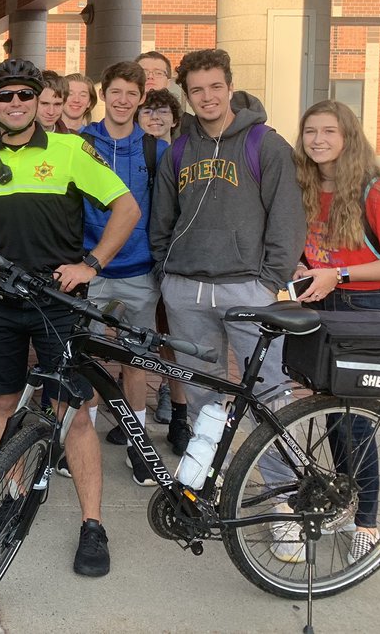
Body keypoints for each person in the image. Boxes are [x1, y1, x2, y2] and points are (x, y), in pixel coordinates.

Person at [0, 58, 140, 577]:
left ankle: (92, 524)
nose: (17, 104)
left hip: (57, 303)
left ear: (36, 99)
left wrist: (91, 263)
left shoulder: (69, 150)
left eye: (26, 95)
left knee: (74, 412)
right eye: (6, 96)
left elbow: (127, 207)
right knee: (1, 402)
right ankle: (15, 493)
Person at [148, 48, 305, 560]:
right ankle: (203, 484)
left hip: (247, 289)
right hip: (186, 288)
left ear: (229, 86)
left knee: (269, 396)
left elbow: (287, 220)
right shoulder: (178, 150)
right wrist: (164, 272)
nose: (207, 97)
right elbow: (162, 220)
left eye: (215, 87)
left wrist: (268, 281)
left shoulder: (266, 144)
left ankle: (283, 504)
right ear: (186, 96)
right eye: (197, 90)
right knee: (200, 396)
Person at [290, 99, 380, 563]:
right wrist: (306, 267)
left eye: (329, 131)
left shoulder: (374, 192)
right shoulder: (306, 186)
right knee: (331, 417)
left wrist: (338, 276)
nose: (318, 140)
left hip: (369, 309)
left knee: (357, 424)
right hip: (326, 306)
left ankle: (367, 522)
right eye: (310, 132)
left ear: (348, 136)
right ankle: (346, 503)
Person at [78, 62, 167, 485]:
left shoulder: (156, 150)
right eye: (115, 91)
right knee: (91, 358)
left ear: (142, 97)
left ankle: (139, 447)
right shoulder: (78, 144)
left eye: (132, 93)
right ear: (104, 93)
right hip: (89, 267)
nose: (123, 100)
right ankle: (83, 444)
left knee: (136, 360)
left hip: (138, 271)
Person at [136, 85, 189, 434]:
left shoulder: (184, 156)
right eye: (148, 111)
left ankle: (180, 415)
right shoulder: (133, 154)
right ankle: (133, 412)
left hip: (171, 260)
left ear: (175, 118)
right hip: (139, 259)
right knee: (136, 343)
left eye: (163, 112)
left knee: (172, 341)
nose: (155, 118)